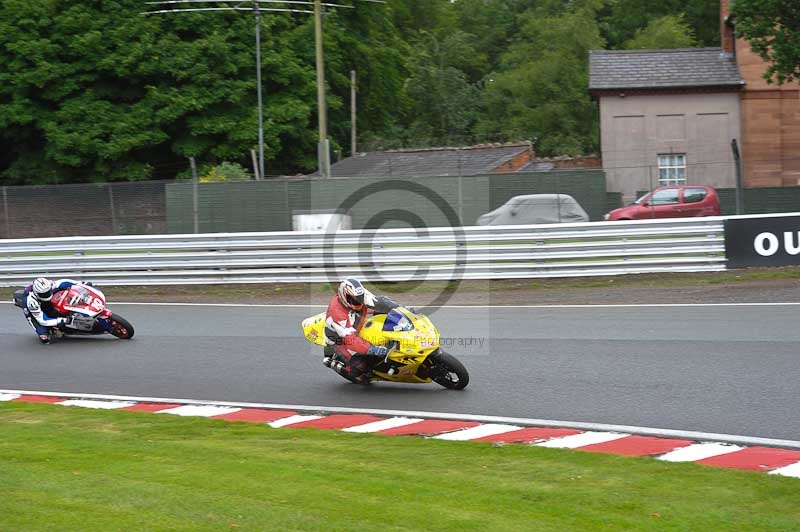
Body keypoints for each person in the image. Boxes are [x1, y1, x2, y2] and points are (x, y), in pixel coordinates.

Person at [323, 278, 411, 384]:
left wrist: (402, 308)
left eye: (359, 298)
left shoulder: (361, 296)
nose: (358, 301)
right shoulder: (336, 312)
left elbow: (380, 302)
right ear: (344, 296)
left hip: (357, 324)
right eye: (354, 299)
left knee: (384, 317)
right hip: (338, 339)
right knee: (359, 367)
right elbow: (349, 338)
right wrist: (373, 349)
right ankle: (342, 366)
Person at [21, 277, 89, 344]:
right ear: (37, 293)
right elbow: (43, 320)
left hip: (44, 300)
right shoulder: (31, 301)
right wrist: (63, 320)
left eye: (47, 292)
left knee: (62, 293)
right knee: (45, 338)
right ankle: (50, 330)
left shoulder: (48, 286)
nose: (46, 295)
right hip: (33, 310)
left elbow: (63, 282)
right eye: (44, 294)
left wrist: (81, 284)